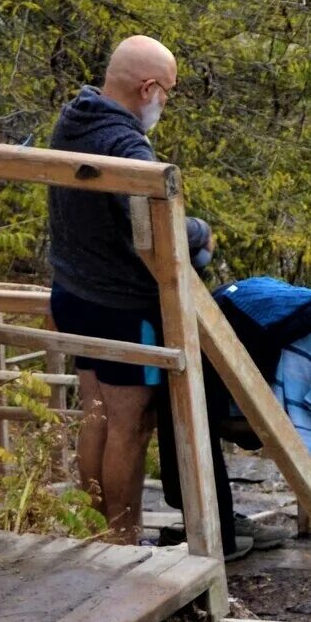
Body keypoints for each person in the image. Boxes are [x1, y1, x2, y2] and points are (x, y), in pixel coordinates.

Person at [45, 36, 221, 546]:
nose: (165, 101)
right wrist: (199, 233)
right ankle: (122, 538)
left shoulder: (73, 119)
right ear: (148, 88)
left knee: (96, 414)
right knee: (128, 424)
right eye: (166, 91)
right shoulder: (125, 144)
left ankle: (94, 531)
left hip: (73, 292)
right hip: (119, 304)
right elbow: (147, 223)